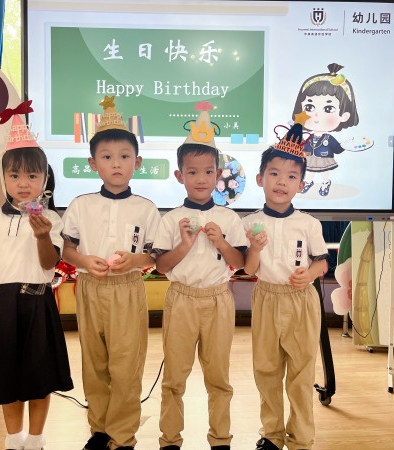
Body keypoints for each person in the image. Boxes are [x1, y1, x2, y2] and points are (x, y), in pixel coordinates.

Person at [0, 101, 74, 450]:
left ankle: (36, 439)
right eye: (15, 176)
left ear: (44, 179)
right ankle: (14, 438)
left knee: (39, 377)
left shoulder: (51, 220)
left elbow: (49, 264)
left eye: (32, 176)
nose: (23, 183)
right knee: (6, 376)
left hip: (36, 305)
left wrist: (42, 236)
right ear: (4, 178)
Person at [61, 96, 161, 450]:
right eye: (106, 157)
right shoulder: (81, 205)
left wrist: (135, 262)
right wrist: (84, 260)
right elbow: (67, 249)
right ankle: (100, 429)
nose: (116, 164)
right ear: (93, 163)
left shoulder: (146, 209)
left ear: (137, 162)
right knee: (94, 362)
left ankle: (122, 435)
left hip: (128, 288)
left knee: (126, 363)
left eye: (124, 156)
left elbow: (154, 257)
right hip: (90, 287)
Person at [153, 101, 247, 450]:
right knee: (174, 377)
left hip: (218, 299)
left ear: (218, 174)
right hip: (182, 299)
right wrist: (185, 243)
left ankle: (221, 439)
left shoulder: (229, 218)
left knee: (219, 376)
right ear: (180, 176)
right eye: (192, 172)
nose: (201, 179)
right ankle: (170, 440)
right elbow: (160, 266)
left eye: (208, 171)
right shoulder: (170, 219)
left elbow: (239, 262)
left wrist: (221, 241)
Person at [242, 113, 328, 450]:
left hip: (301, 301)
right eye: (274, 173)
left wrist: (311, 273)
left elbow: (322, 261)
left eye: (292, 176)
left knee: (302, 374)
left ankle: (301, 438)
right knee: (266, 371)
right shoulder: (250, 222)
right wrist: (253, 248)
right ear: (260, 178)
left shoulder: (308, 224)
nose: (282, 182)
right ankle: (272, 435)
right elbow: (249, 269)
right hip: (266, 297)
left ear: (301, 185)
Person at [292, 63, 360, 196]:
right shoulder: (309, 137)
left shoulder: (328, 138)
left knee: (324, 171)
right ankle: (308, 182)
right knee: (309, 170)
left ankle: (325, 183)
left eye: (328, 109)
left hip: (324, 157)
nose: (316, 116)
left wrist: (346, 145)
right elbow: (304, 146)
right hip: (311, 157)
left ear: (344, 116)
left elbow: (338, 149)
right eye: (309, 107)